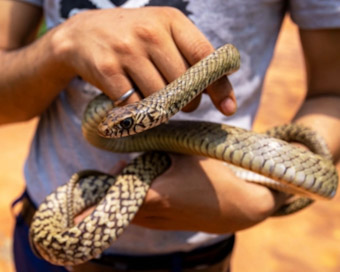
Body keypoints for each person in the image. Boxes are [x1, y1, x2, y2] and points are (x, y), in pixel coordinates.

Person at [0, 0, 339, 271]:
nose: (111, 128)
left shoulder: (177, 96)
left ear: (153, 114)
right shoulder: (136, 110)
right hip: (44, 241)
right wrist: (63, 41)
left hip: (197, 260)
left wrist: (268, 196)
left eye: (124, 125)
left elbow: (333, 92)